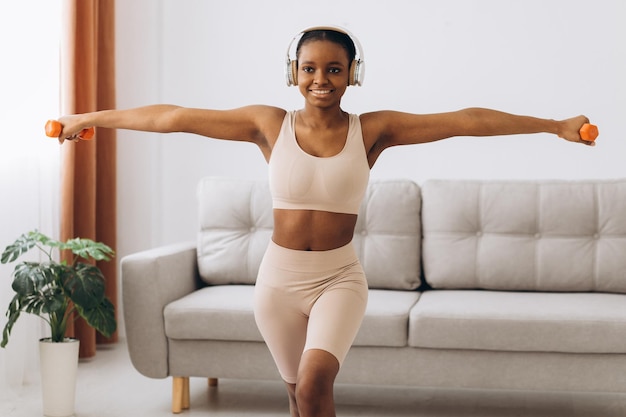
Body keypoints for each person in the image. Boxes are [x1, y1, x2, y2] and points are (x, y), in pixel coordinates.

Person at [56, 26, 594, 417]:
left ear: (353, 75)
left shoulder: (374, 129)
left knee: (314, 389)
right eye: (309, 68)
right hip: (277, 283)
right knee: (299, 399)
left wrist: (554, 126)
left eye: (334, 69)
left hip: (339, 279)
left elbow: (464, 121)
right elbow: (172, 118)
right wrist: (90, 119)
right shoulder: (267, 124)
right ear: (293, 73)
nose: (321, 79)